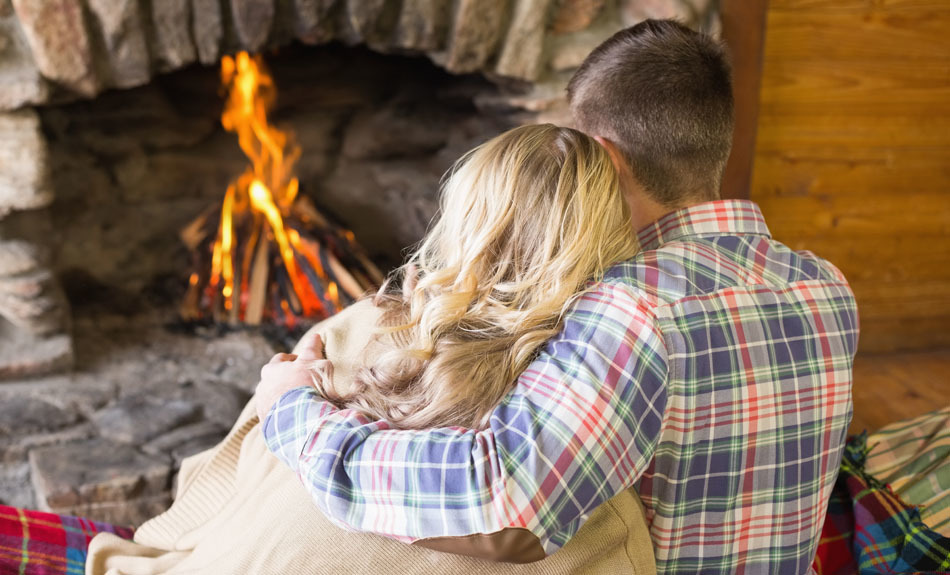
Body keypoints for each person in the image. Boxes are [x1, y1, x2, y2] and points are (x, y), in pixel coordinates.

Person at [257, 19, 860, 575]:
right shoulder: (824, 286)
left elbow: (505, 506)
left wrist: (295, 413)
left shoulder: (633, 308)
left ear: (602, 158)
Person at [84, 124, 657, 574]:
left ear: (466, 223)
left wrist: (286, 404)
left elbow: (227, 483)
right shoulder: (598, 428)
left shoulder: (354, 332)